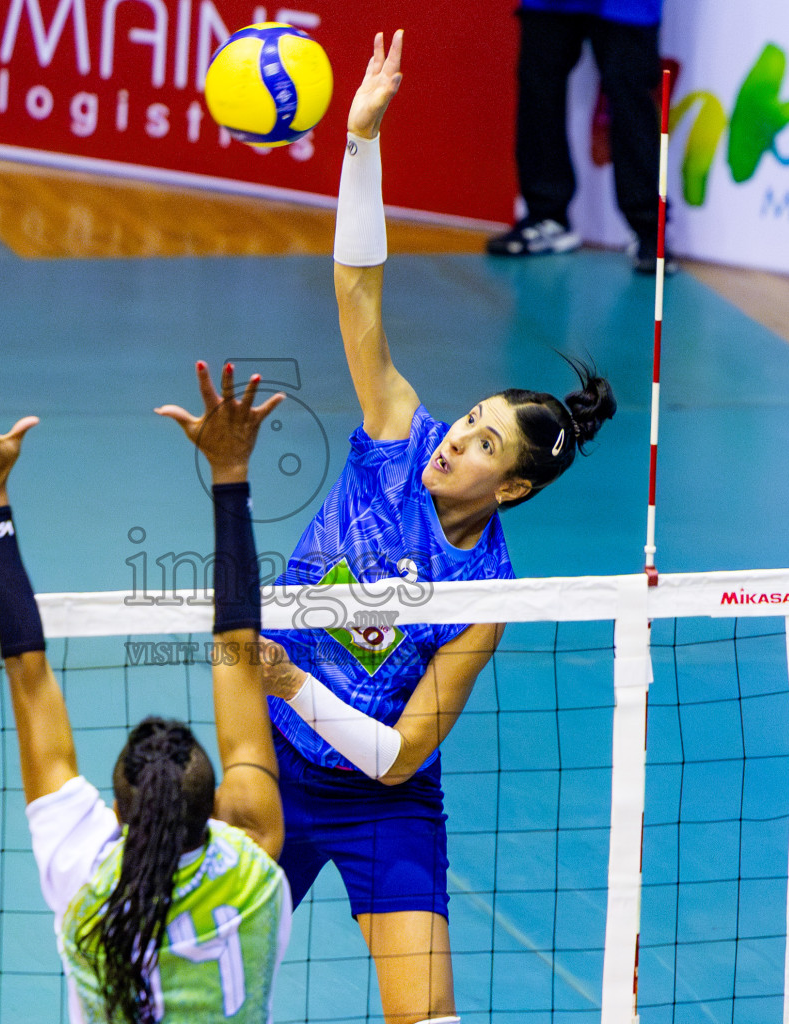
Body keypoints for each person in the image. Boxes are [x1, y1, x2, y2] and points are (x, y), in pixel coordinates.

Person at [255, 31, 616, 1024]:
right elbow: (358, 290)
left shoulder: (484, 600)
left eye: (486, 444)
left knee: (431, 1019)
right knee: (189, 985)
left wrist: (292, 677)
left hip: (380, 797)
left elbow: (403, 754)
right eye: (470, 419)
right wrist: (360, 144)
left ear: (512, 491)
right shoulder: (391, 439)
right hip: (271, 764)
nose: (457, 439)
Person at [0, 367, 289, 1023]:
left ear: (115, 808)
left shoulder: (84, 877)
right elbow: (239, 645)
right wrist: (232, 472)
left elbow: (27, 670)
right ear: (218, 803)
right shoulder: (257, 861)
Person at [484, 0, 674, 273]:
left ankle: (649, 231)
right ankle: (546, 218)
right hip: (548, 6)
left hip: (626, 5)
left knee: (631, 99)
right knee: (538, 90)